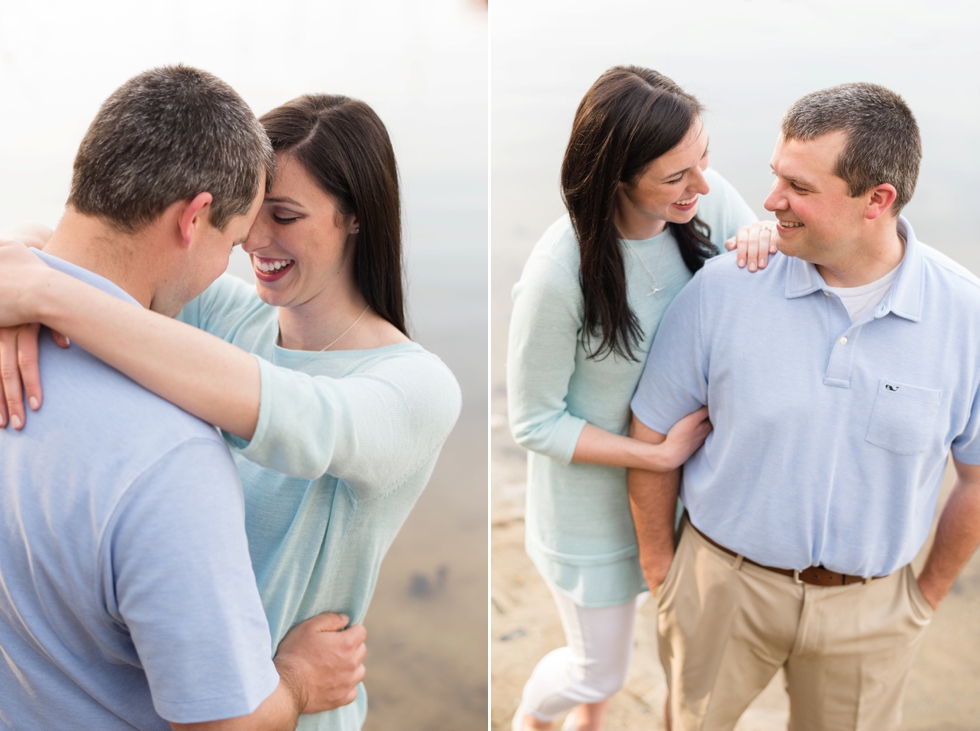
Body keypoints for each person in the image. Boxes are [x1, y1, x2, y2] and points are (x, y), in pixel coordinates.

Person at [0, 92, 461, 730]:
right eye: (250, 212)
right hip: (188, 694)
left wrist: (48, 294)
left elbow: (296, 416)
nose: (252, 238)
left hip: (288, 711)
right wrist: (20, 294)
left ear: (355, 217)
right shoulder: (227, 317)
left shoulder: (414, 388)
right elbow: (77, 243)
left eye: (287, 215)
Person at [629, 82, 980, 730]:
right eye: (775, 176)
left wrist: (923, 595)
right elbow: (649, 436)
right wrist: (663, 572)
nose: (769, 201)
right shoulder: (725, 289)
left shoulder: (968, 318)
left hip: (870, 614)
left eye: (799, 187)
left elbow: (977, 478)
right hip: (721, 589)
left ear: (877, 201)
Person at [506, 66, 766, 731]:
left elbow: (770, 261)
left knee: (653, 655)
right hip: (589, 514)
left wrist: (767, 238)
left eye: (703, 160)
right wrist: (652, 457)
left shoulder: (704, 201)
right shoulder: (558, 275)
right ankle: (528, 717)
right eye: (677, 176)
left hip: (688, 490)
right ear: (617, 179)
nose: (702, 185)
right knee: (598, 667)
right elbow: (532, 420)